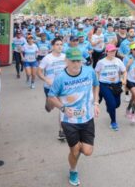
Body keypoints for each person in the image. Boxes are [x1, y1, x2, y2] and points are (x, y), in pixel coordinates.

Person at [47, 47, 100, 187]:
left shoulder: (89, 71)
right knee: (75, 150)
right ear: (66, 61)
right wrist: (63, 108)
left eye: (78, 61)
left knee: (87, 151)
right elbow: (51, 96)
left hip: (87, 118)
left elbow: (96, 85)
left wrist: (95, 102)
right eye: (73, 61)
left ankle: (76, 148)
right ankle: (73, 170)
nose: (76, 64)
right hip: (69, 120)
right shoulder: (60, 78)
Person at [37, 38, 66, 140]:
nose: (59, 46)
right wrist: (45, 79)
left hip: (62, 88)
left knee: (63, 107)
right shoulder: (47, 58)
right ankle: (48, 103)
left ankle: (62, 131)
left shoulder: (64, 57)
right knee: (50, 108)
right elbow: (39, 72)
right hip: (49, 88)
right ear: (53, 46)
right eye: (57, 44)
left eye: (61, 44)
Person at [95, 44, 126, 130]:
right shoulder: (101, 62)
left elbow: (124, 71)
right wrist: (97, 82)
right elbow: (96, 72)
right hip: (104, 84)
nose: (113, 52)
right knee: (112, 104)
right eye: (111, 51)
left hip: (116, 85)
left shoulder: (118, 61)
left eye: (114, 50)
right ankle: (113, 122)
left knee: (117, 104)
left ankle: (109, 106)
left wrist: (124, 79)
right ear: (106, 52)